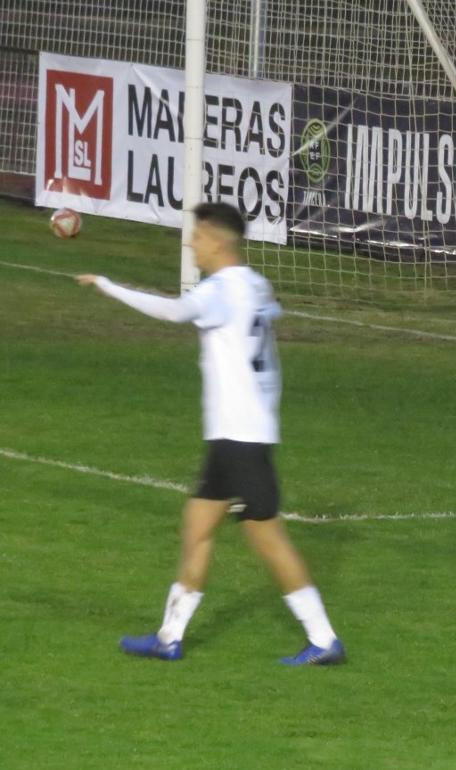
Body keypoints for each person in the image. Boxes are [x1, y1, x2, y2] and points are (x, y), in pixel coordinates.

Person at [76, 202, 344, 666]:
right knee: (197, 528)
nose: (191, 244)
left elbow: (172, 312)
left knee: (267, 537)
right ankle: (169, 637)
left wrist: (107, 285)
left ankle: (323, 639)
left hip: (241, 437)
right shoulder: (255, 285)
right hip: (233, 436)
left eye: (197, 237)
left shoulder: (220, 291)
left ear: (219, 241)